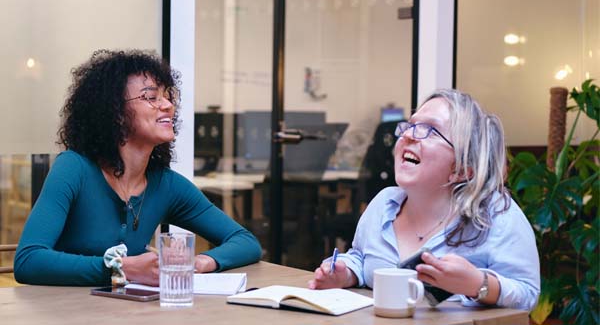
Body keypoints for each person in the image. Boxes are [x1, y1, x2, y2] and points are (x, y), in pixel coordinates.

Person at [14, 49, 262, 286]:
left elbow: (245, 241)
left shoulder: (166, 185)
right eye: (151, 97)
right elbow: (29, 260)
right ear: (115, 113)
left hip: (130, 313)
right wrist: (121, 268)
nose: (167, 105)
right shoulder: (73, 168)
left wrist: (200, 262)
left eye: (167, 96)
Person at [308, 89, 540, 311]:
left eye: (430, 130)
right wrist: (346, 272)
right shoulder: (384, 203)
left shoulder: (496, 214)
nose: (408, 134)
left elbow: (527, 295)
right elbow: (360, 257)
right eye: (410, 125)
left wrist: (477, 284)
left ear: (462, 169)